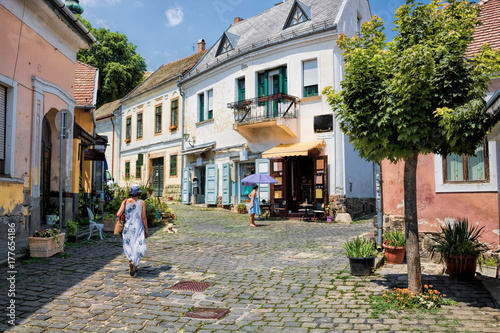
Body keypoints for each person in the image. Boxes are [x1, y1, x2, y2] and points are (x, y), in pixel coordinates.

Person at [116, 184, 148, 276]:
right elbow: (144, 217)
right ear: (138, 192)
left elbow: (118, 214)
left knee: (128, 246)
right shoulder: (142, 203)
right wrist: (146, 229)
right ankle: (134, 264)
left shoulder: (125, 201)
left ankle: (131, 262)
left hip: (127, 228)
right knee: (138, 245)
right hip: (138, 228)